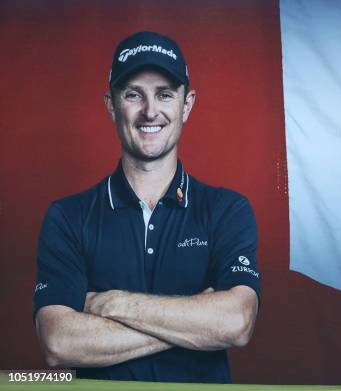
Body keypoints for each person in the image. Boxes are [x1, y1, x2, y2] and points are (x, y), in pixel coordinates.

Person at [33, 31, 261, 383]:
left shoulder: (227, 210)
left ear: (187, 104)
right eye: (133, 95)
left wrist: (111, 304)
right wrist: (196, 321)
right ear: (111, 104)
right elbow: (59, 341)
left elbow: (236, 323)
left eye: (165, 94)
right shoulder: (67, 217)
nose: (150, 111)